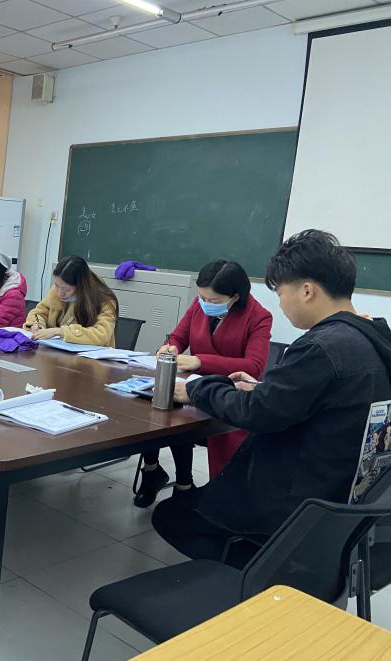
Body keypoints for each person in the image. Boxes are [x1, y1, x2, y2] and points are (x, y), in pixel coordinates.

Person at [153, 230, 391, 565]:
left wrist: (196, 389)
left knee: (170, 516)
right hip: (343, 507)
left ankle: (245, 574)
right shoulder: (374, 337)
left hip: (293, 511)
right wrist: (264, 390)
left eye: (280, 292)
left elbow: (256, 413)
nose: (279, 303)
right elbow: (318, 401)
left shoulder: (321, 348)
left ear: (306, 290)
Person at [134, 260, 273, 508]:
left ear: (235, 297)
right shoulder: (199, 306)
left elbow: (253, 366)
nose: (205, 303)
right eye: (202, 297)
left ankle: (186, 487)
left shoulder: (258, 316)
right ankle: (155, 472)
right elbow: (178, 337)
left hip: (227, 394)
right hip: (191, 386)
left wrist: (200, 360)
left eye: (214, 300)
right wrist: (170, 348)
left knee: (179, 417)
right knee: (154, 404)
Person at [24, 256, 118, 345]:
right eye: (56, 285)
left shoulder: (105, 300)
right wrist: (37, 324)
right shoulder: (59, 288)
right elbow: (39, 312)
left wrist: (61, 332)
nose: (60, 293)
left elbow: (102, 334)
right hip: (57, 350)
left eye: (66, 289)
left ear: (81, 286)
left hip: (92, 355)